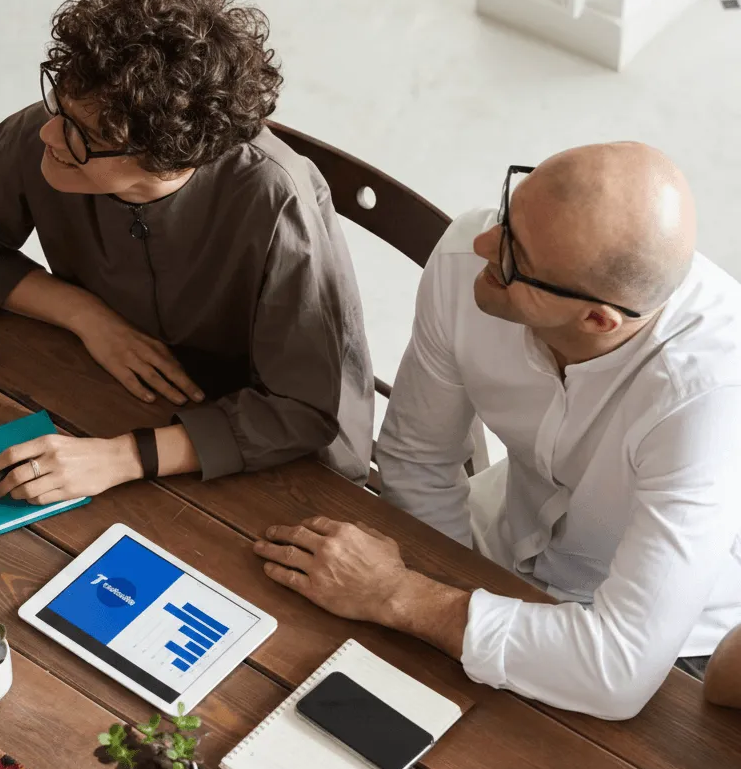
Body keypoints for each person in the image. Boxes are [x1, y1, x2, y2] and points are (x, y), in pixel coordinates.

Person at [254, 143, 741, 720]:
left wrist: (399, 596)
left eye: (515, 258)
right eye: (510, 211)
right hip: (494, 547)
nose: (485, 244)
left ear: (596, 320)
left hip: (676, 647)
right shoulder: (469, 253)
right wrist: (452, 600)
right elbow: (416, 459)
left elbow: (619, 671)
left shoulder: (707, 396)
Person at [0, 0, 372, 499]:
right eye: (57, 106)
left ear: (167, 159)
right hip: (112, 388)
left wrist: (123, 456)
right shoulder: (47, 135)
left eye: (80, 134)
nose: (47, 133)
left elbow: (302, 410)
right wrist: (85, 315)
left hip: (258, 446)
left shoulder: (278, 201)